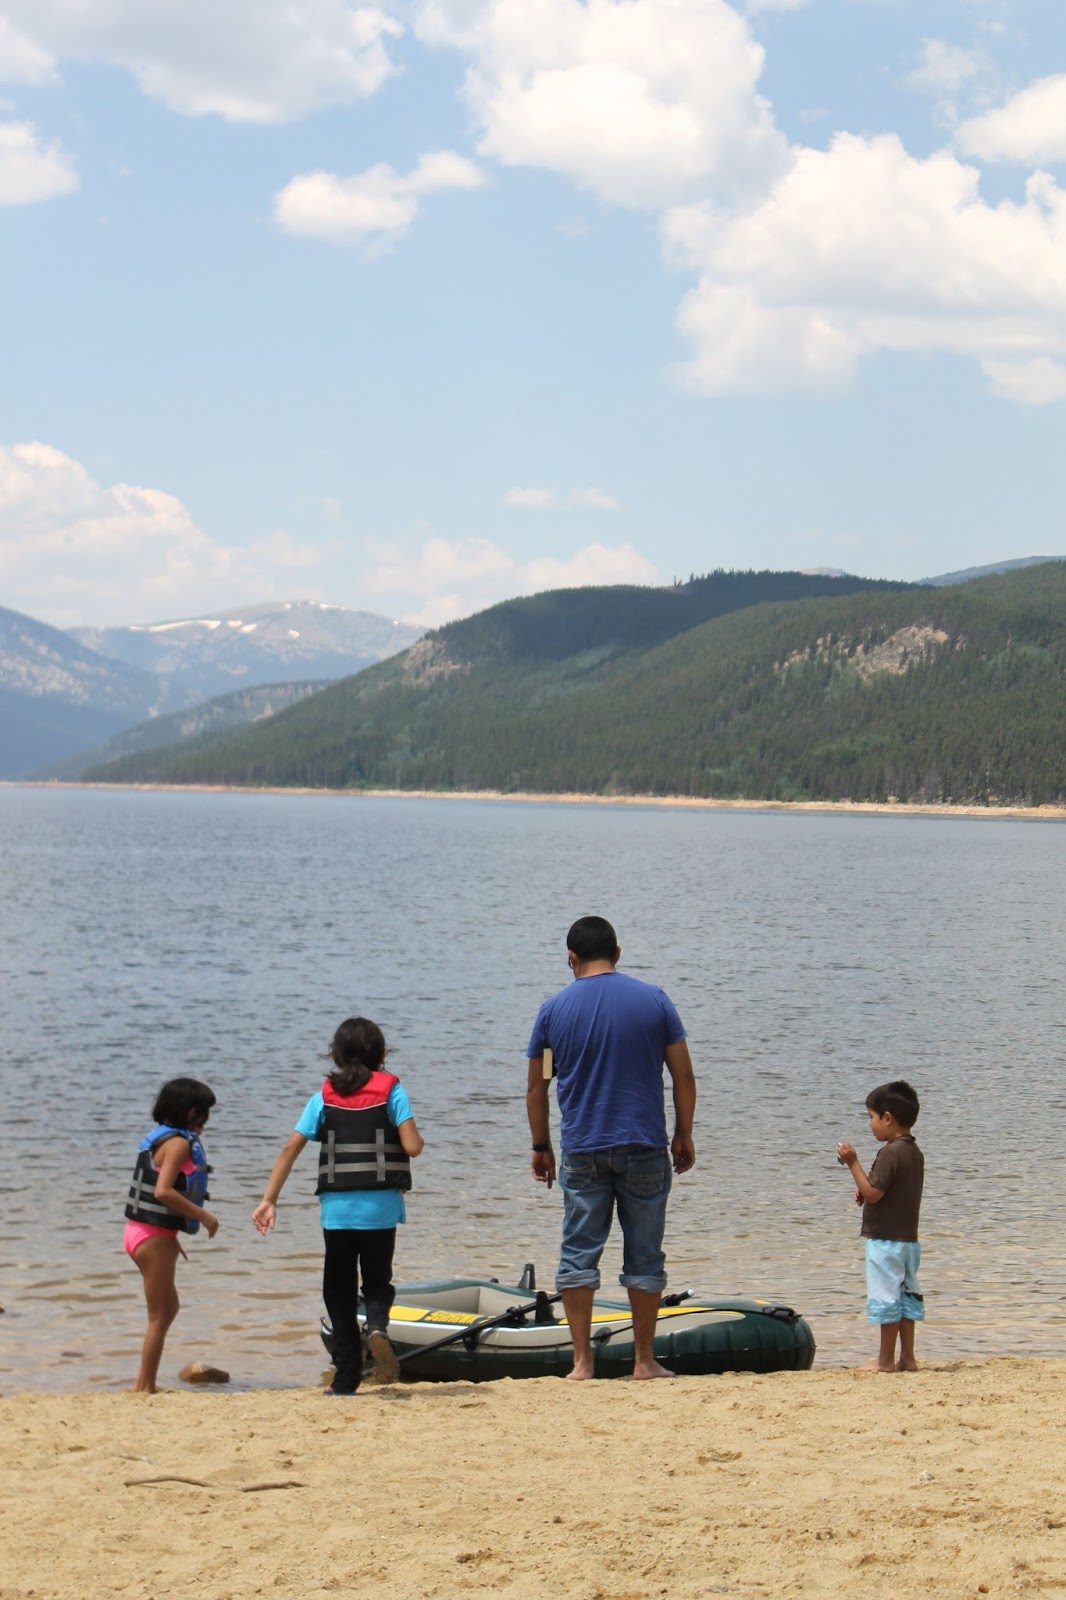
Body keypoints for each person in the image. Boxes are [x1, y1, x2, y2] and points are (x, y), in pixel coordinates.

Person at [526, 915, 697, 1381]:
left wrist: (541, 1145)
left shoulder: (552, 1012)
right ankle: (644, 1362)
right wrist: (684, 1132)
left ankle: (582, 1363)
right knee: (645, 1254)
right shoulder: (655, 1001)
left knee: (579, 1251)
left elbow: (538, 1088)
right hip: (644, 1145)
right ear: (618, 954)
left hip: (582, 1147)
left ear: (571, 958)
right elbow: (683, 1075)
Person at [252, 1016, 424, 1395]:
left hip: (338, 1212)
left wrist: (269, 1200)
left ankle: (346, 1377)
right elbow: (412, 1147)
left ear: (335, 1055)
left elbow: (290, 1148)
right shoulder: (392, 1091)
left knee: (338, 1289)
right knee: (377, 1280)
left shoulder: (323, 1098)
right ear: (381, 1054)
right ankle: (377, 1326)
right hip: (380, 1210)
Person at [123, 1076, 219, 1394]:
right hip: (151, 1238)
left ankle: (144, 1381)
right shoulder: (178, 1144)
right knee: (158, 1315)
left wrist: (173, 1238)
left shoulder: (160, 1139)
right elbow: (164, 1192)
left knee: (170, 1308)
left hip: (145, 1233)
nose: (206, 1120)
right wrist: (203, 1215)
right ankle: (144, 1385)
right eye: (204, 1112)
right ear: (191, 1112)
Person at [836, 1079, 925, 1373]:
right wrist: (867, 1191)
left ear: (888, 1118)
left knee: (887, 1299)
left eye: (871, 1117)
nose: (870, 1124)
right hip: (909, 1241)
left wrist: (853, 1164)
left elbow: (875, 1192)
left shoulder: (890, 1152)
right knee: (906, 1297)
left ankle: (885, 1360)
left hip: (885, 1241)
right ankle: (908, 1358)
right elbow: (886, 1190)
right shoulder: (913, 1152)